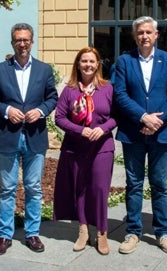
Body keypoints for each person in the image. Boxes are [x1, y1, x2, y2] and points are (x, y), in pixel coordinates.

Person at [0, 23, 58, 256]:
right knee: (7, 188)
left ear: (32, 42)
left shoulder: (44, 70)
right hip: (8, 137)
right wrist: (6, 110)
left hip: (35, 138)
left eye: (26, 40)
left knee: (34, 187)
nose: (22, 44)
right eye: (18, 40)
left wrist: (42, 111)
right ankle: (4, 236)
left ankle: (32, 233)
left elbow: (52, 97)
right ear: (12, 42)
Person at [113, 16, 167, 255]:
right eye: (140, 32)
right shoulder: (124, 61)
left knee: (160, 184)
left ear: (156, 35)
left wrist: (157, 121)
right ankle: (133, 231)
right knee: (133, 183)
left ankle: (163, 232)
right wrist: (143, 117)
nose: (144, 36)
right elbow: (119, 95)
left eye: (148, 32)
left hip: (161, 133)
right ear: (135, 36)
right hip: (133, 132)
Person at [53, 47, 116, 255]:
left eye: (92, 61)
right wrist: (81, 131)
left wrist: (103, 128)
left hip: (102, 147)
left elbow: (117, 116)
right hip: (75, 147)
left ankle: (102, 232)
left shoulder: (107, 89)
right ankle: (82, 230)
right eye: (84, 61)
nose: (88, 65)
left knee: (99, 189)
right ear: (78, 65)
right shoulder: (70, 90)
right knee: (80, 189)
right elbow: (59, 118)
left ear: (98, 64)